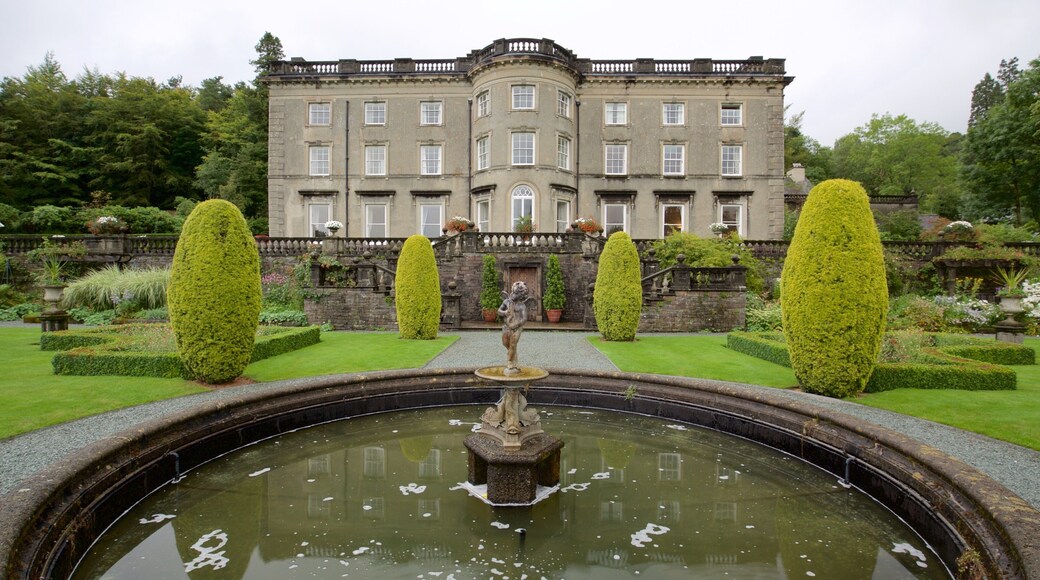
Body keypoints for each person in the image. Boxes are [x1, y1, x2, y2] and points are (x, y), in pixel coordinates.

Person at [498, 281, 529, 374]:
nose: (513, 295)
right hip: (506, 326)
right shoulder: (506, 302)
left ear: (521, 296)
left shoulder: (522, 306)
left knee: (512, 344)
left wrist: (516, 324)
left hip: (516, 328)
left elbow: (524, 319)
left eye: (516, 294)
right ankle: (514, 357)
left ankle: (510, 362)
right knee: (505, 343)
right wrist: (504, 312)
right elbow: (499, 311)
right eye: (513, 292)